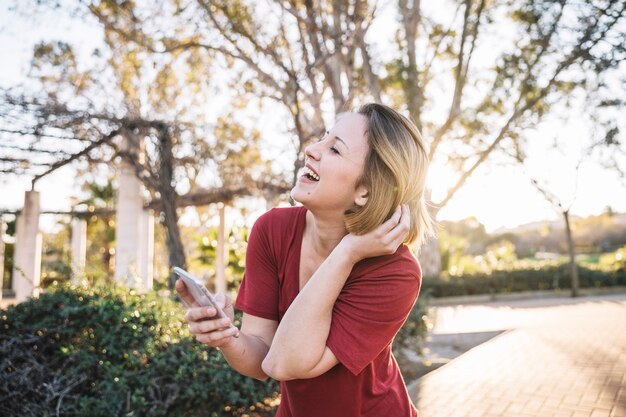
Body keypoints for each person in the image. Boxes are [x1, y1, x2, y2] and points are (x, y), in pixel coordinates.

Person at [177, 103, 434, 417]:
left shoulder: (397, 272)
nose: (311, 150)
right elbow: (262, 359)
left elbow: (284, 363)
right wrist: (227, 336)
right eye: (324, 138)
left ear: (365, 190)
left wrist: (347, 252)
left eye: (335, 150)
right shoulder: (272, 230)